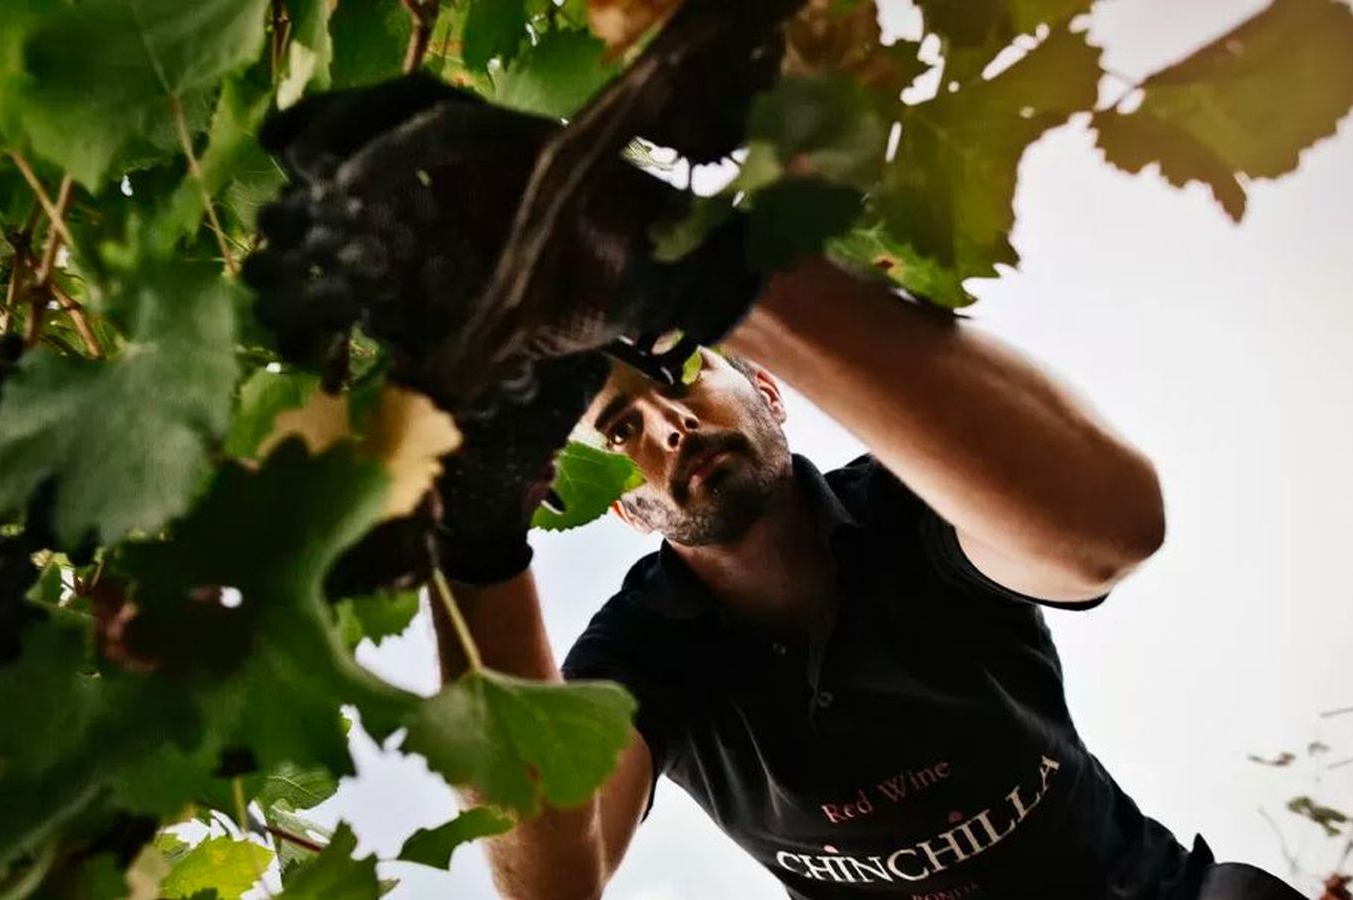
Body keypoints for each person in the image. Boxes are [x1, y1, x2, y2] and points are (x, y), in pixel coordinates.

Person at [426, 257, 1305, 899]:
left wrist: (733, 270)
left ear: (769, 390)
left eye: (684, 369)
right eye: (619, 431)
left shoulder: (916, 505)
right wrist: (474, 545)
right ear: (622, 509)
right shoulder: (639, 654)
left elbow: (1109, 532)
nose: (668, 427)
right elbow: (554, 881)